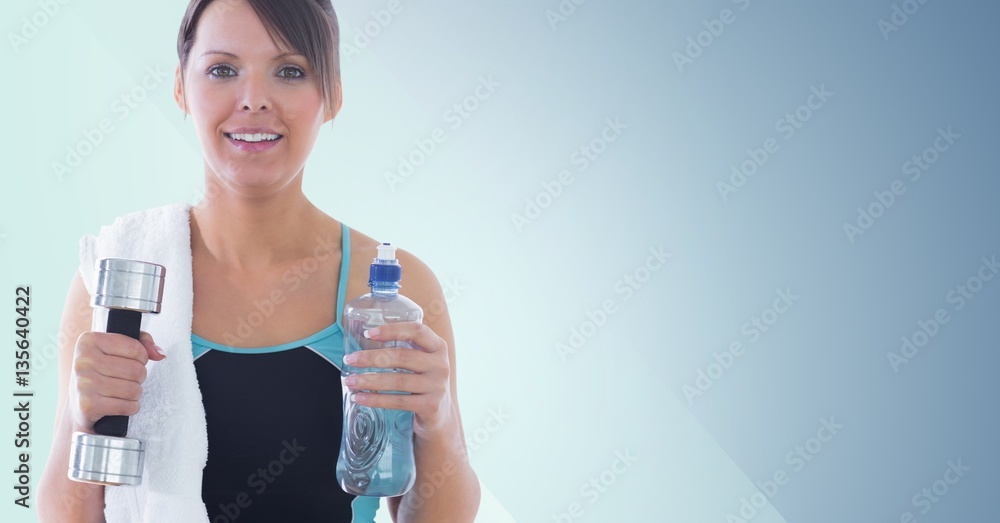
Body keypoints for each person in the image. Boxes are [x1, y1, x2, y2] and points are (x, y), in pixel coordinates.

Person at [37, 0, 481, 521]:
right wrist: (79, 416)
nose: (253, 100)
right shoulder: (117, 280)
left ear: (333, 95)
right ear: (180, 87)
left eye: (290, 71)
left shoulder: (390, 293)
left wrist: (440, 419)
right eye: (222, 69)